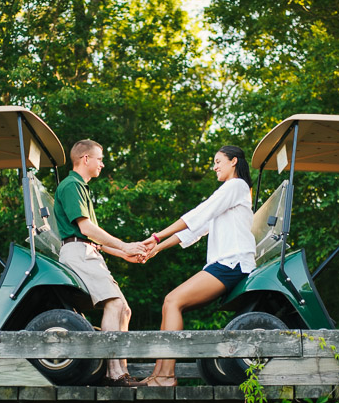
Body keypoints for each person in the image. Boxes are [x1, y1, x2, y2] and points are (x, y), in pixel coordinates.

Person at [140, 145, 256, 386]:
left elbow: (199, 213)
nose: (214, 166)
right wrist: (157, 248)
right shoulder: (230, 192)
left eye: (218, 161)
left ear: (233, 161)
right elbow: (196, 229)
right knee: (169, 304)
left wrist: (158, 236)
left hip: (232, 263)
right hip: (222, 264)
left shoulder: (236, 186)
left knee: (173, 302)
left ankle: (166, 376)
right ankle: (158, 375)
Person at [53, 139, 149, 387]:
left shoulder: (81, 188)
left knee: (124, 310)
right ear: (85, 159)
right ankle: (113, 374)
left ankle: (121, 371)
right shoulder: (72, 185)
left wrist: (122, 253)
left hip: (87, 250)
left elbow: (92, 237)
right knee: (114, 304)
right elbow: (87, 230)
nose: (102, 164)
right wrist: (125, 245)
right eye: (99, 159)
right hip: (78, 252)